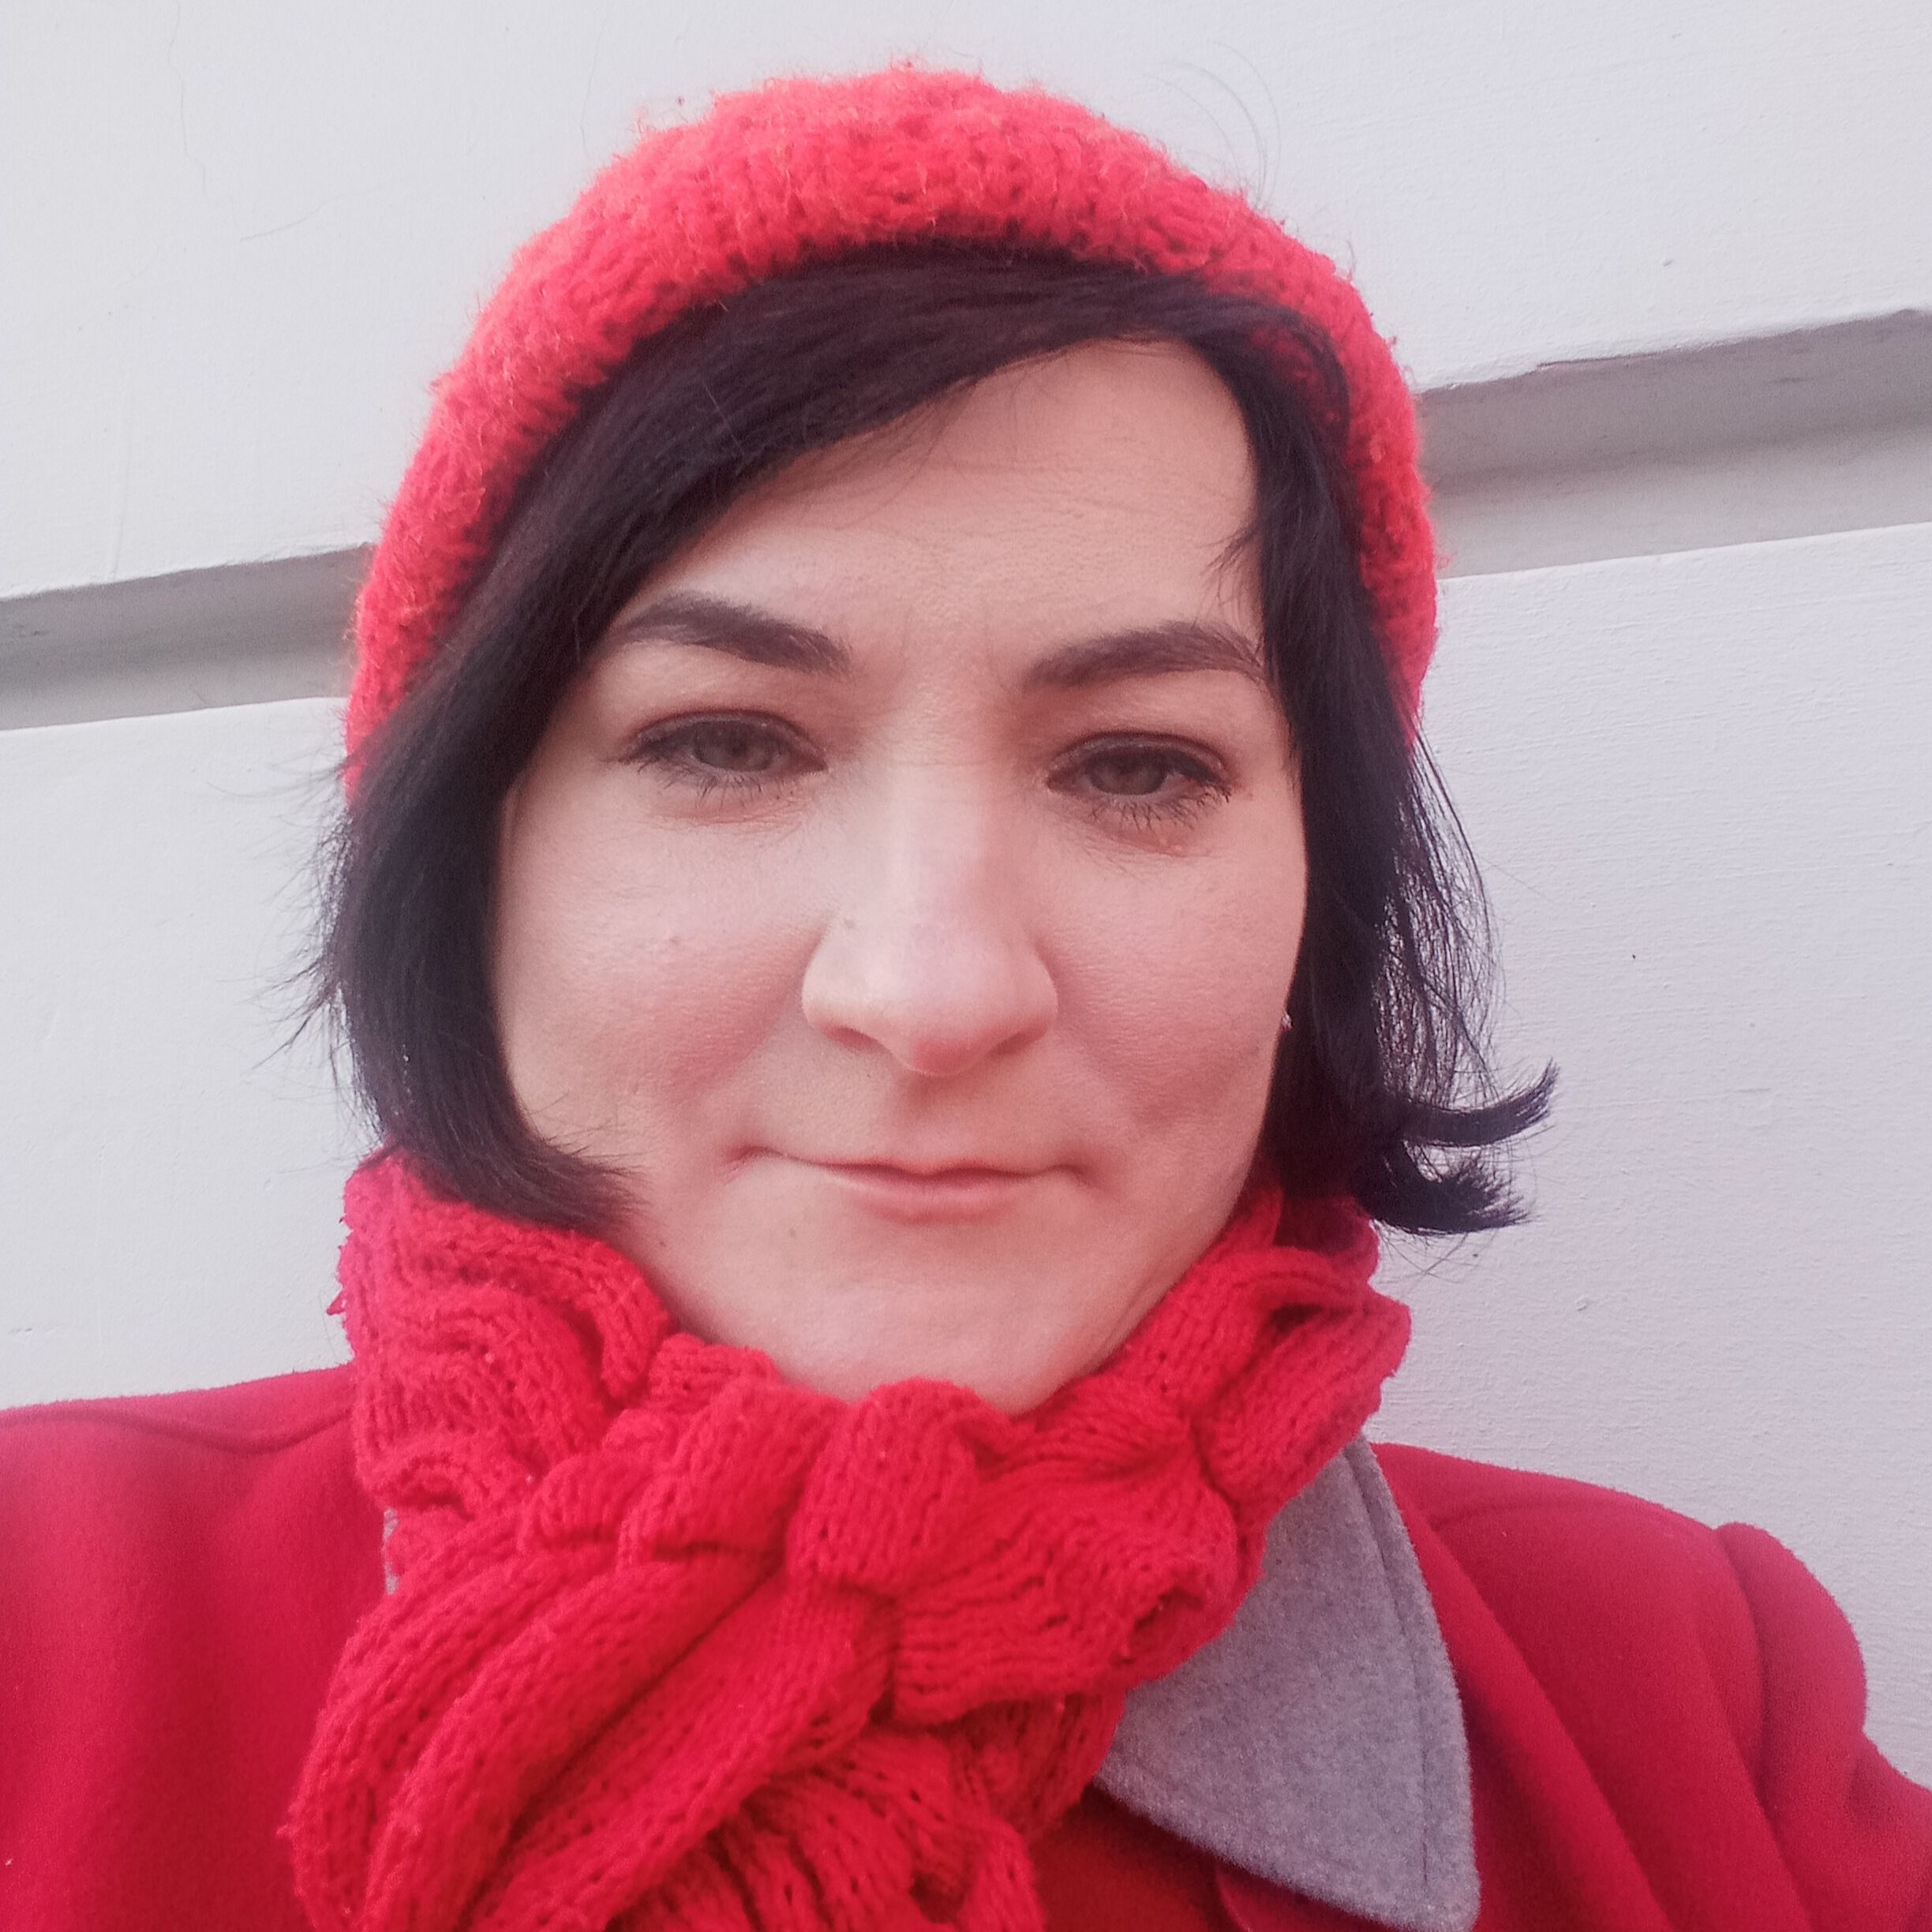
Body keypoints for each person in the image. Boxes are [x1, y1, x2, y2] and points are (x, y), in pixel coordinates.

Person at [0, 64, 1925, 1932]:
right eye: (726, 741)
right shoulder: (43, 1627)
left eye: (1138, 766)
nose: (931, 992)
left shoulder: (1693, 1715)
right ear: (475, 859)